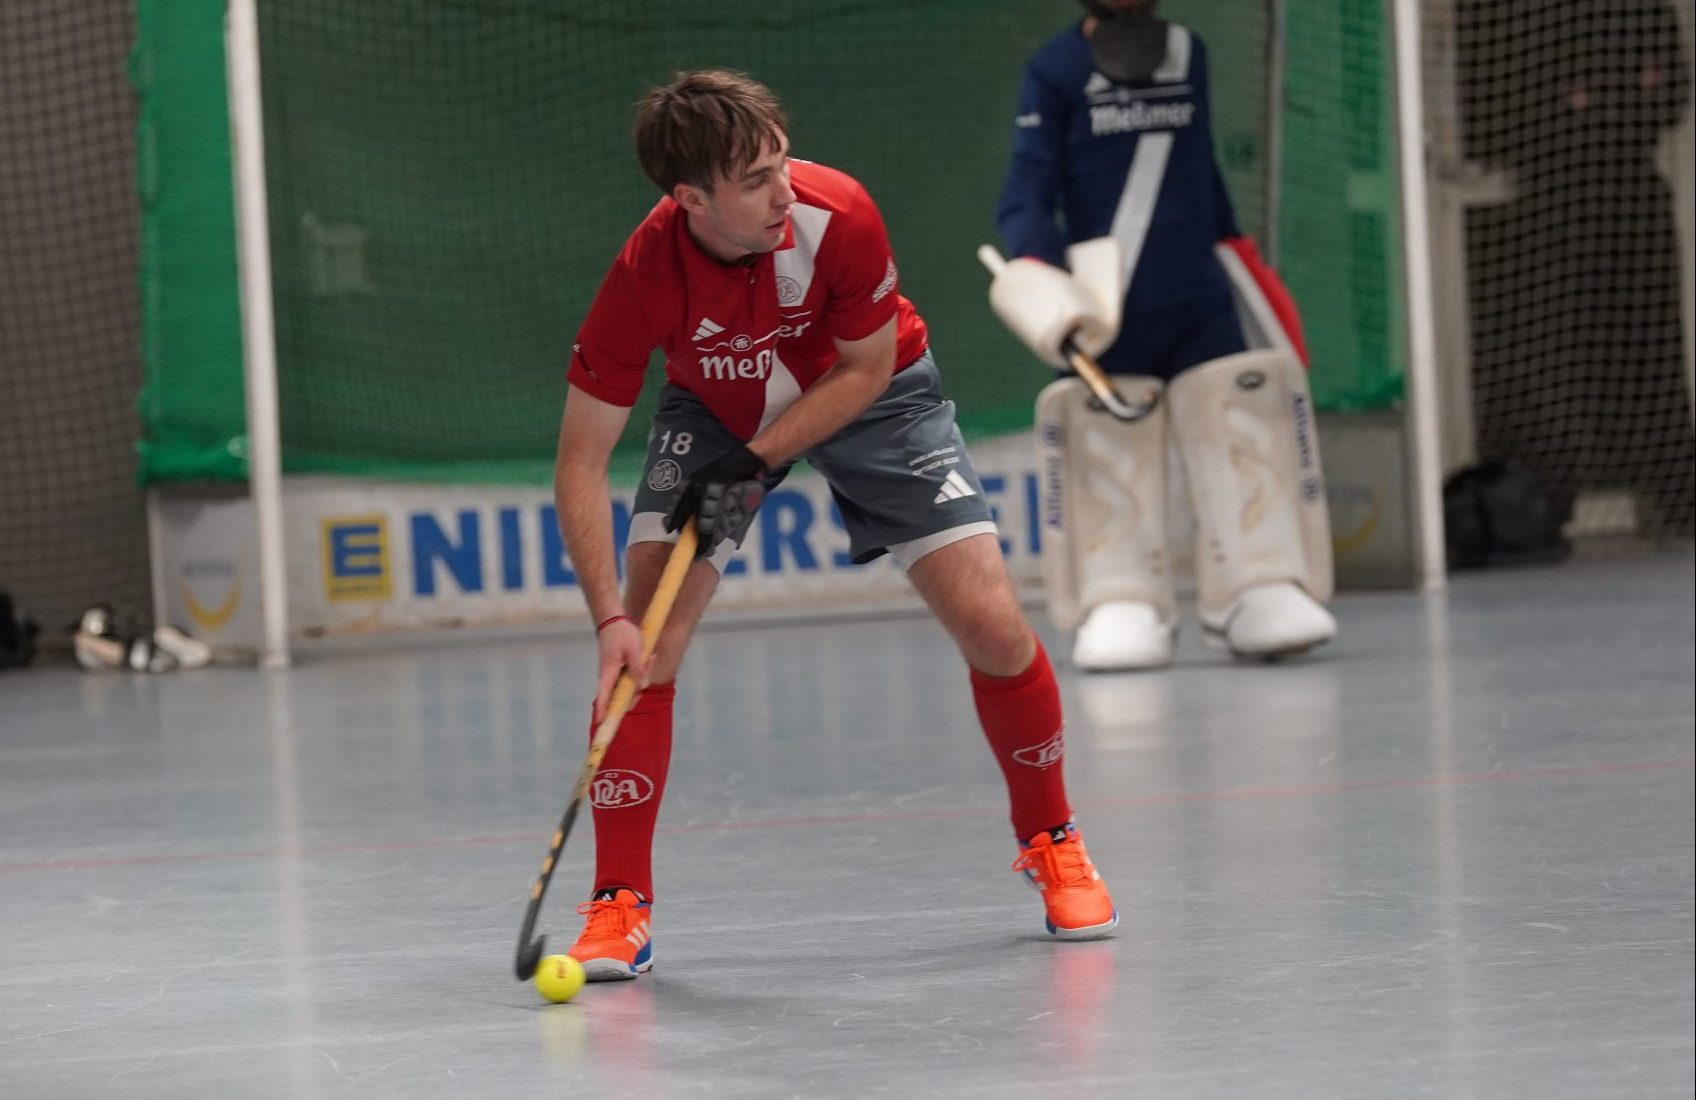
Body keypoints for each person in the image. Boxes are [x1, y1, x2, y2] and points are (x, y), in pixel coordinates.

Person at [552, 70, 1117, 981]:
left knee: (992, 623)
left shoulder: (839, 212)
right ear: (691, 199)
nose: (785, 190)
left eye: (783, 161)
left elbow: (864, 370)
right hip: (718, 412)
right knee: (645, 646)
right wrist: (609, 618)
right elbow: (580, 462)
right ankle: (619, 902)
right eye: (755, 180)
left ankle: (1051, 834)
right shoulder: (643, 275)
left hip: (876, 394)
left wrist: (752, 465)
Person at [990, 0, 1338, 671]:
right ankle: (1122, 595)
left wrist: (1236, 250)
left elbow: (1200, 168)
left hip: (1200, 298)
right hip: (1106, 310)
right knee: (1108, 446)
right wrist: (1044, 279)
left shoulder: (1188, 52)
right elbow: (1026, 191)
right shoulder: (1055, 70)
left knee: (1239, 427)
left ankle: (1254, 584)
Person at [1462, 0, 1693, 537]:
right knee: (1552, 356)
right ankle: (1542, 504)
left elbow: (1672, 93)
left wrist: (1601, 102)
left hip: (1634, 204)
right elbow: (1503, 109)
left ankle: (1672, 499)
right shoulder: (1516, 14)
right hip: (1547, 208)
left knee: (1648, 349)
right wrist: (1586, 102)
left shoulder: (1642, 8)